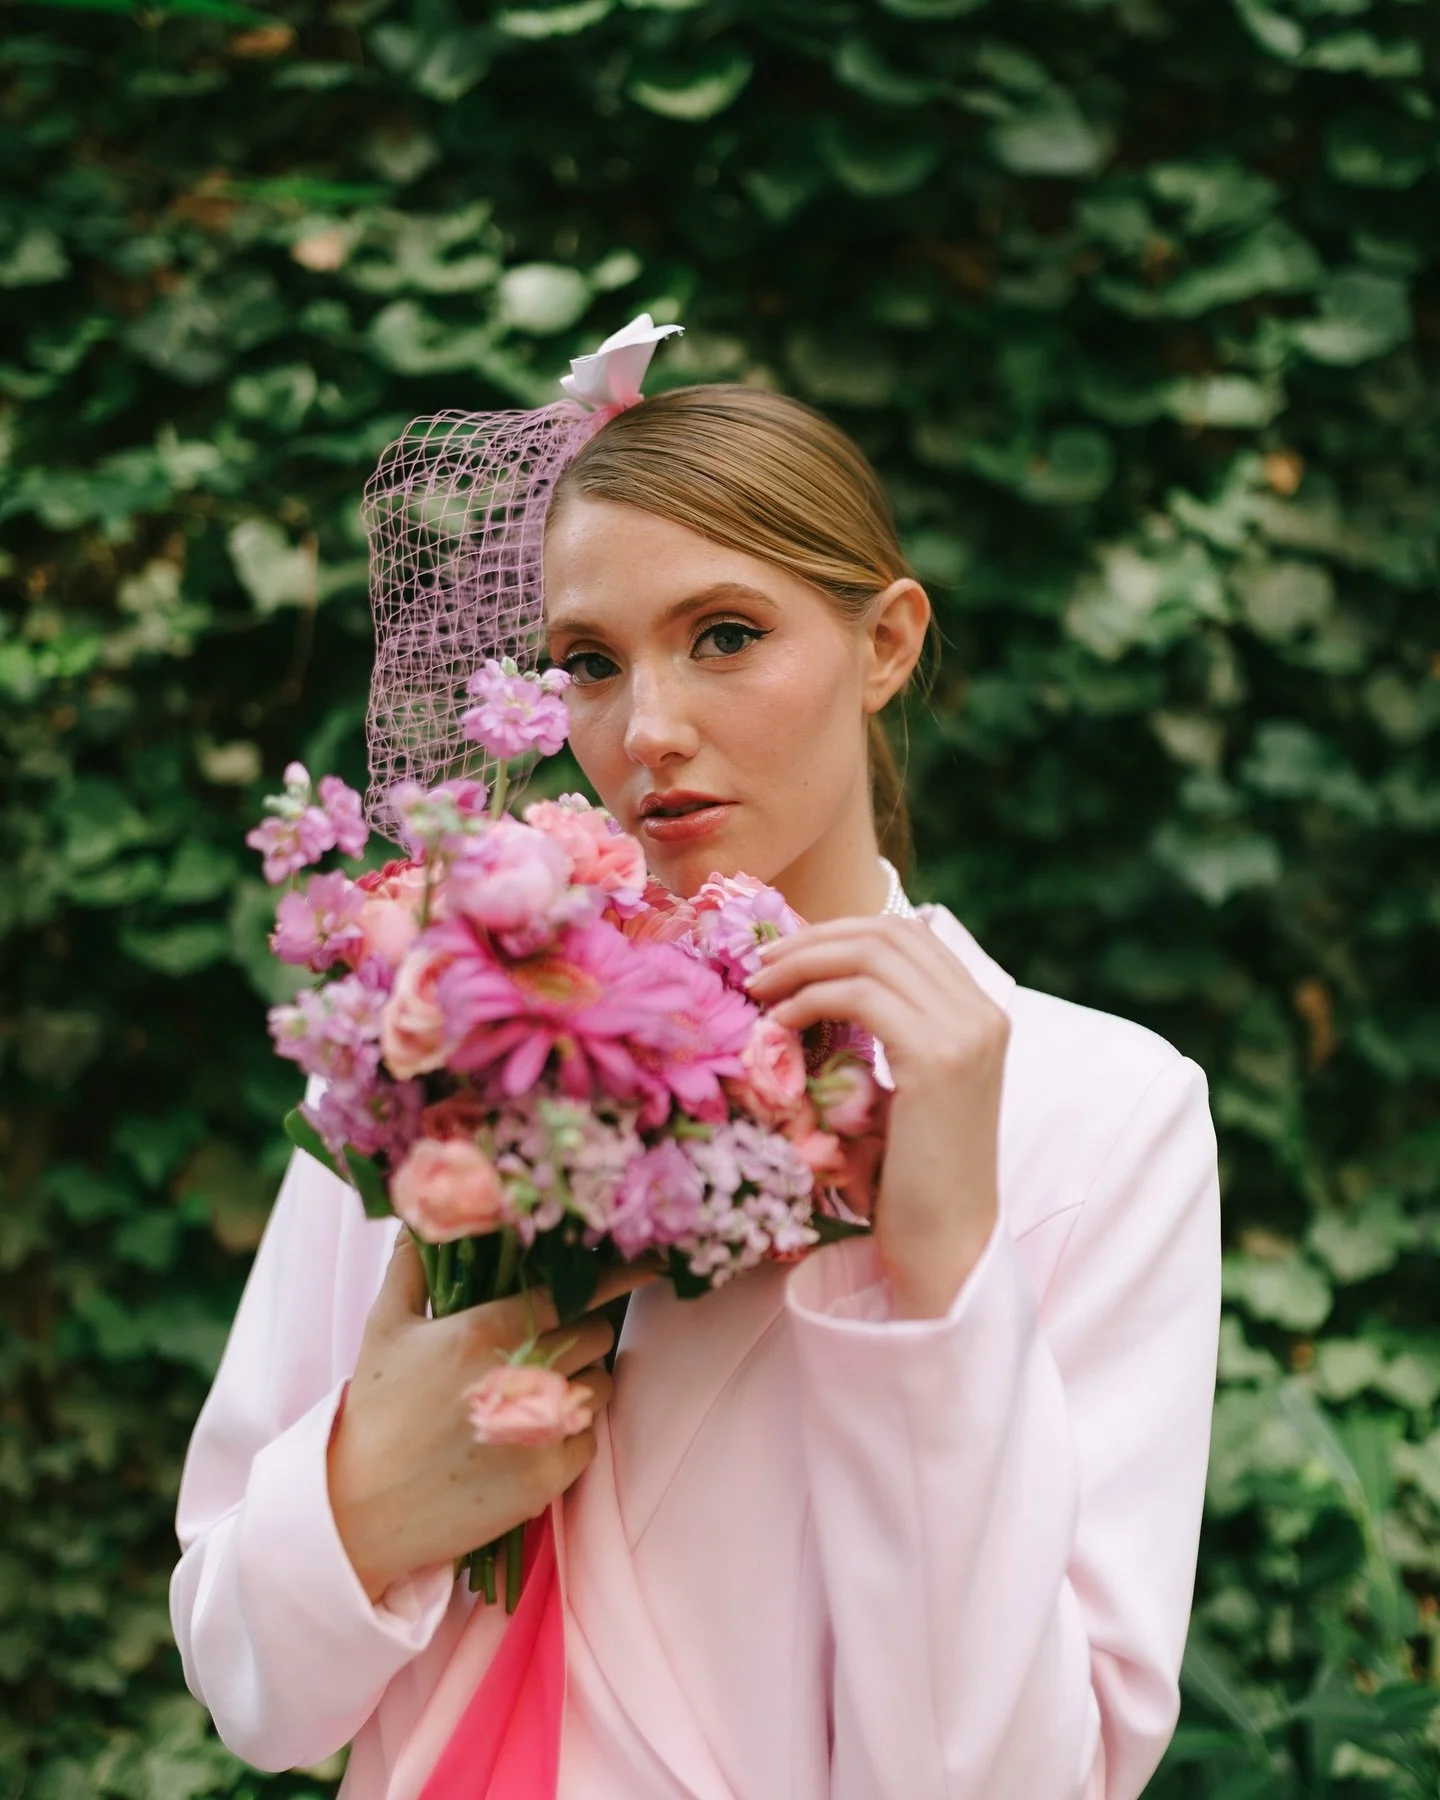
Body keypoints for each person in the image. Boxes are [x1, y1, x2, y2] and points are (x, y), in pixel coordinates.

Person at [171, 321, 1221, 1800]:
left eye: (724, 635)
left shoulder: (1101, 1112)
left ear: (887, 641)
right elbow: (245, 1684)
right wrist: (371, 1497)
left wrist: (933, 1288)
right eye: (587, 662)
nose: (648, 730)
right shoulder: (447, 1043)